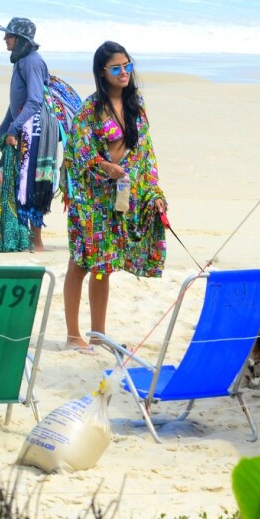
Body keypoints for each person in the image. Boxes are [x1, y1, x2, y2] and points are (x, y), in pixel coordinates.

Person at [62, 41, 167, 353]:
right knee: (80, 264)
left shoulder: (136, 105)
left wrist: (155, 193)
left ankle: (97, 334)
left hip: (118, 198)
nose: (124, 73)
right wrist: (102, 166)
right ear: (102, 72)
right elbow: (76, 153)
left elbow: (146, 155)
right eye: (116, 68)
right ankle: (72, 334)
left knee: (102, 268)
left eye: (127, 66)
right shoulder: (90, 110)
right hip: (90, 198)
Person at [0, 17, 51, 253]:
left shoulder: (31, 62)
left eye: (9, 35)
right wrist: (2, 131)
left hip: (35, 128)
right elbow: (15, 103)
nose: (5, 39)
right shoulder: (21, 61)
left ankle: (37, 241)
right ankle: (24, 236)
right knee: (19, 182)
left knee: (32, 182)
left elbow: (34, 102)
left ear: (21, 40)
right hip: (22, 125)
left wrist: (14, 129)